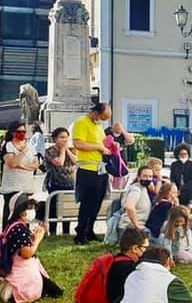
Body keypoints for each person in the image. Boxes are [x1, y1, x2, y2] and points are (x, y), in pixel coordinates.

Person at [0, 194, 63, 303]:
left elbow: (17, 245)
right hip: (23, 275)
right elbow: (26, 253)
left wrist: (35, 234)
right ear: (20, 210)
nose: (32, 211)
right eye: (29, 208)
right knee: (55, 292)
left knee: (53, 289)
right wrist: (37, 240)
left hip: (13, 271)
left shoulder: (12, 225)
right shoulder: (20, 229)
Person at [73, 102, 112, 245]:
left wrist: (110, 146)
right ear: (95, 113)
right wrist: (99, 147)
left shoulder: (99, 126)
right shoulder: (81, 123)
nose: (101, 120)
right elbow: (78, 144)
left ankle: (90, 230)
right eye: (101, 117)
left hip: (100, 168)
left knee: (97, 202)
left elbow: (103, 143)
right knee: (87, 203)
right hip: (87, 169)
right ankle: (80, 232)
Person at [100, 227, 149, 303]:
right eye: (145, 248)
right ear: (135, 249)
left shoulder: (117, 261)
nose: (147, 251)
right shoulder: (130, 269)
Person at [0, 121, 39, 230]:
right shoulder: (8, 145)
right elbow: (11, 163)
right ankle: (7, 233)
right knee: (11, 211)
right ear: (12, 132)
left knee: (24, 211)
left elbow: (36, 164)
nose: (22, 134)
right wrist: (23, 152)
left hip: (26, 184)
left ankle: (24, 232)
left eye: (23, 132)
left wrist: (21, 166)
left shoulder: (30, 146)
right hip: (12, 185)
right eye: (19, 131)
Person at [44, 127, 77, 236]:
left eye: (66, 138)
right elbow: (59, 162)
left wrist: (67, 149)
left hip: (69, 183)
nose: (64, 140)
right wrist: (62, 150)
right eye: (61, 137)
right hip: (55, 183)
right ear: (55, 138)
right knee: (54, 208)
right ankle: (52, 232)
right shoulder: (50, 151)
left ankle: (66, 232)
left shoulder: (71, 149)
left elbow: (76, 161)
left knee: (66, 208)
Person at [118, 165, 154, 234]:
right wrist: (136, 225)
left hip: (138, 226)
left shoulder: (143, 188)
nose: (148, 179)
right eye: (145, 176)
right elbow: (130, 207)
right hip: (130, 228)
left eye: (150, 176)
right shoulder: (136, 189)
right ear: (139, 176)